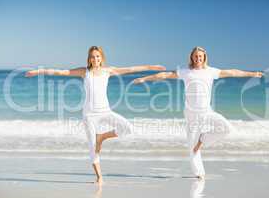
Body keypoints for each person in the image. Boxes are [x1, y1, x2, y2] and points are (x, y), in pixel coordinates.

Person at [25, 46, 166, 185]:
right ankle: (99, 177)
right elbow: (61, 72)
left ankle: (102, 136)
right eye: (92, 56)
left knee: (127, 128)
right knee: (93, 148)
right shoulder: (84, 72)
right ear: (89, 58)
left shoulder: (108, 71)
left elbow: (131, 69)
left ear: (101, 58)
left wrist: (152, 66)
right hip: (89, 115)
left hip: (105, 111)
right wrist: (38, 71)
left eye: (97, 56)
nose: (95, 59)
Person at [133, 46, 263, 179]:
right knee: (193, 147)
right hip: (191, 114)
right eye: (195, 56)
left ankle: (203, 139)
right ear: (192, 57)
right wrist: (144, 79)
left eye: (200, 56)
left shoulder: (211, 71)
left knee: (226, 128)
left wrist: (252, 74)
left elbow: (233, 72)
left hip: (206, 111)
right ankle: (199, 174)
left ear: (204, 57)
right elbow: (165, 75)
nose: (198, 58)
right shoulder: (185, 71)